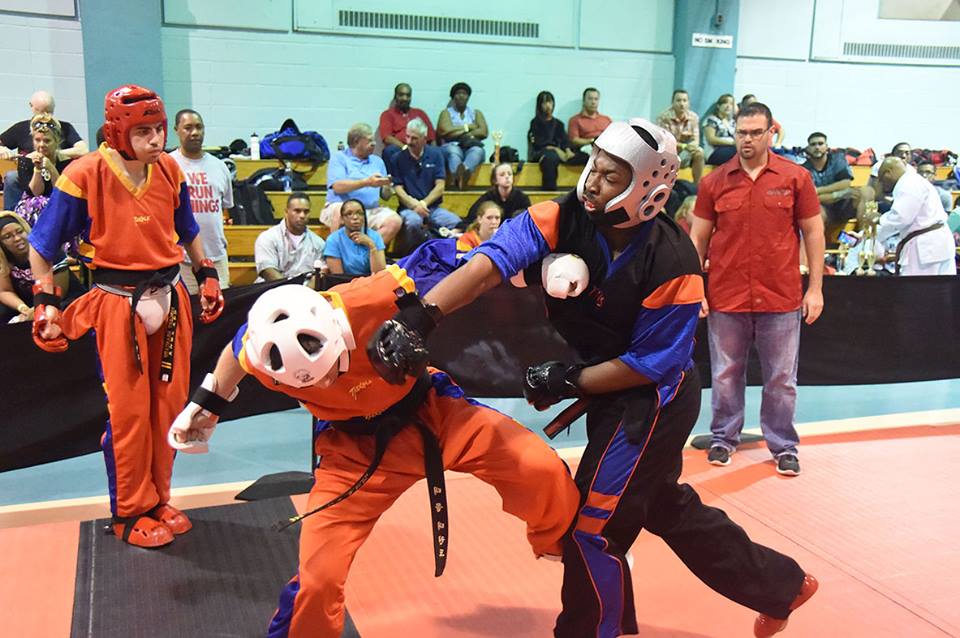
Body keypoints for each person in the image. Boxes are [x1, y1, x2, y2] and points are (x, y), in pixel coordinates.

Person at [368, 117, 818, 638]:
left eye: (610, 176)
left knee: (590, 529)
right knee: (661, 505)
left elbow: (653, 363)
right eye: (593, 168)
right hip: (612, 385)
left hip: (655, 401)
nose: (592, 183)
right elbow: (491, 263)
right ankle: (781, 585)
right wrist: (420, 317)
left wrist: (569, 380)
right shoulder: (564, 214)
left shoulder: (673, 262)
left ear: (649, 190)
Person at [167, 271, 581, 638]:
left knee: (537, 467)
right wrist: (207, 403)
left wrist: (536, 265)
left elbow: (468, 260)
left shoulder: (377, 294)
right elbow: (234, 354)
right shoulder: (263, 347)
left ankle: (561, 544)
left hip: (433, 414)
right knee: (319, 578)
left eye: (331, 367)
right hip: (354, 452)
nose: (327, 381)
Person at [28, 84, 224, 548]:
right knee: (129, 416)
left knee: (169, 410)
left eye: (159, 129)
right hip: (117, 304)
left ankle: (158, 499)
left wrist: (207, 273)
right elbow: (41, 246)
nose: (157, 140)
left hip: (172, 297)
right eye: (144, 132)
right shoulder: (84, 174)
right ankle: (128, 512)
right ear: (117, 132)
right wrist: (45, 302)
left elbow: (187, 229)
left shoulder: (169, 168)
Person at [689, 102, 824, 477]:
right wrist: (694, 288)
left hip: (780, 296)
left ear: (770, 133)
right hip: (725, 296)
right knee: (725, 373)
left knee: (781, 378)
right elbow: (697, 240)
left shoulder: (795, 177)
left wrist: (815, 289)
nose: (747, 139)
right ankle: (723, 438)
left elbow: (813, 232)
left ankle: (783, 446)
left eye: (755, 132)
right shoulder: (713, 182)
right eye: (741, 132)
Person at [169, 108, 234, 294]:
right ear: (176, 130)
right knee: (187, 312)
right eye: (188, 128)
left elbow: (225, 209)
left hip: (216, 256)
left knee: (220, 312)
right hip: (181, 258)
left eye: (199, 127)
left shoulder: (220, 167)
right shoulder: (167, 164)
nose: (195, 132)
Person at [320, 122, 402, 246]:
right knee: (340, 210)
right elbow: (337, 187)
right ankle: (335, 254)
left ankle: (368, 254)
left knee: (394, 220)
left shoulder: (378, 161)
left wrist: (387, 186)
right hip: (340, 207)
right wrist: (367, 182)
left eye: (374, 140)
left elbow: (385, 196)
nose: (374, 144)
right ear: (356, 141)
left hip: (369, 210)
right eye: (369, 140)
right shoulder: (340, 158)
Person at [876, 156, 956, 276]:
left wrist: (872, 230)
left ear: (888, 172)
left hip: (925, 249)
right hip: (938, 244)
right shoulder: (914, 181)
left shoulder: (908, 184)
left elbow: (900, 218)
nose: (882, 183)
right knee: (943, 291)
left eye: (882, 179)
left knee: (918, 291)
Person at [392, 118, 462, 247]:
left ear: (424, 139)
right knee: (413, 222)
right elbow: (398, 189)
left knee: (456, 222)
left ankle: (445, 253)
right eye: (407, 137)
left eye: (414, 138)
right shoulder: (398, 158)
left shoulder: (436, 154)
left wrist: (423, 203)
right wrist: (415, 205)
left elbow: (440, 186)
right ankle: (413, 256)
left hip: (432, 208)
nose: (409, 141)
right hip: (408, 208)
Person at [0, 211, 79, 323]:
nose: (17, 238)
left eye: (19, 231)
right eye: (7, 237)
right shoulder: (4, 260)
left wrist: (36, 311)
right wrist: (23, 308)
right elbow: (4, 291)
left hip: (61, 300)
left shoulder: (48, 250)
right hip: (30, 305)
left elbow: (59, 292)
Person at [13, 114, 72, 224]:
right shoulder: (26, 161)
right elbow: (35, 193)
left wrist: (50, 167)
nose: (41, 145)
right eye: (37, 140)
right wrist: (37, 169)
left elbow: (63, 192)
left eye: (47, 141)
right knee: (40, 204)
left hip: (60, 202)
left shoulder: (67, 162)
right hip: (33, 206)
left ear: (57, 141)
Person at [254, 192, 326, 282]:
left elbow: (319, 275)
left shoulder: (318, 243)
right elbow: (268, 271)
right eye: (297, 211)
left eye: (306, 211)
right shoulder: (267, 238)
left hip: (305, 291)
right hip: (271, 289)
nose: (302, 215)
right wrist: (290, 290)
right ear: (286, 212)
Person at [802, 131, 859, 229]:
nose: (817, 147)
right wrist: (837, 193)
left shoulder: (838, 159)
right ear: (808, 148)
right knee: (817, 212)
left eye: (820, 144)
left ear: (827, 147)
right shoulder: (803, 169)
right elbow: (810, 197)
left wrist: (819, 191)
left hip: (843, 205)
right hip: (822, 207)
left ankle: (865, 240)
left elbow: (845, 183)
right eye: (813, 144)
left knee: (866, 192)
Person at [436, 82, 488, 190]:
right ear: (453, 97)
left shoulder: (476, 113)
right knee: (453, 152)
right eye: (458, 93)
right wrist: (469, 128)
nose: (461, 96)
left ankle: (463, 173)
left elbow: (483, 131)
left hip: (470, 145)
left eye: (464, 93)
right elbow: (445, 131)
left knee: (478, 151)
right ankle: (458, 178)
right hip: (452, 146)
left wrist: (456, 132)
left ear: (468, 96)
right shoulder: (446, 113)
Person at [528, 90, 583, 190]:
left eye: (550, 102)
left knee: (583, 156)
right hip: (541, 152)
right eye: (544, 103)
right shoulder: (535, 123)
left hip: (559, 152)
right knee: (551, 157)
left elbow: (564, 140)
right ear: (539, 105)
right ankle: (549, 190)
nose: (548, 105)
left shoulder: (558, 124)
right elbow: (539, 143)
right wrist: (556, 150)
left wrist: (568, 151)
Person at [379, 83, 436, 174]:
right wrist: (405, 147)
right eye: (401, 95)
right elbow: (387, 138)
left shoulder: (420, 113)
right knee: (389, 151)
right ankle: (393, 183)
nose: (405, 98)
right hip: (401, 148)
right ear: (395, 97)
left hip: (421, 148)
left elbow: (431, 136)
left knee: (438, 152)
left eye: (408, 95)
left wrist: (434, 152)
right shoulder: (387, 114)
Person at [322, 198, 386, 276]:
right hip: (345, 284)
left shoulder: (375, 236)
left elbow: (379, 274)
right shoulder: (333, 240)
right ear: (342, 219)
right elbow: (338, 277)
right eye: (349, 214)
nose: (355, 217)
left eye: (360, 213)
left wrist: (371, 246)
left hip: (371, 283)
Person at [657, 89, 705, 184]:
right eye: (678, 100)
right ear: (673, 102)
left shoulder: (694, 117)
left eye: (684, 100)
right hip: (669, 153)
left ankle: (697, 186)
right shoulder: (663, 117)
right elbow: (665, 142)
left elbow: (696, 139)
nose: (682, 104)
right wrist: (684, 146)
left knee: (699, 152)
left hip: (686, 152)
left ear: (688, 103)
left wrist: (691, 146)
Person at [465, 161, 531, 224]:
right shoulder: (489, 196)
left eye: (510, 174)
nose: (507, 177)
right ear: (495, 180)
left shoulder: (522, 198)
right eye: (502, 175)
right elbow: (472, 215)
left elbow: (528, 221)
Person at [567, 87, 612, 154]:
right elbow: (574, 140)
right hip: (587, 149)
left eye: (596, 99)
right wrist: (593, 141)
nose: (593, 102)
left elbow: (614, 136)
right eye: (590, 99)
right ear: (584, 101)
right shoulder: (575, 120)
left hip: (607, 148)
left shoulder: (606, 119)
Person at [702, 93, 737, 166]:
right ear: (718, 106)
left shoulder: (732, 122)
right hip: (714, 152)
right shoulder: (711, 120)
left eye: (731, 104)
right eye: (725, 103)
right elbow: (711, 139)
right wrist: (732, 143)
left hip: (730, 150)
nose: (728, 106)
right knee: (737, 153)